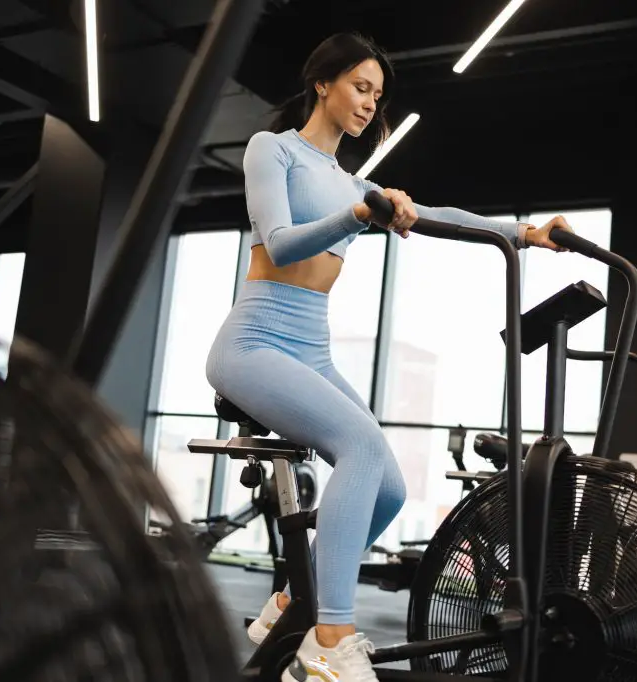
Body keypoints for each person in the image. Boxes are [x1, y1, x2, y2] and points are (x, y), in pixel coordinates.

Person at [205, 31, 575, 682]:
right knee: (364, 449)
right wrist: (358, 215)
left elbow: (438, 215)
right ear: (323, 83)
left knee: (392, 487)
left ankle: (296, 598)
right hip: (255, 341)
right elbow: (282, 243)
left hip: (310, 347)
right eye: (360, 86)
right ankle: (328, 636)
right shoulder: (275, 151)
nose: (370, 103)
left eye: (378, 94)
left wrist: (525, 233)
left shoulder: (351, 181)